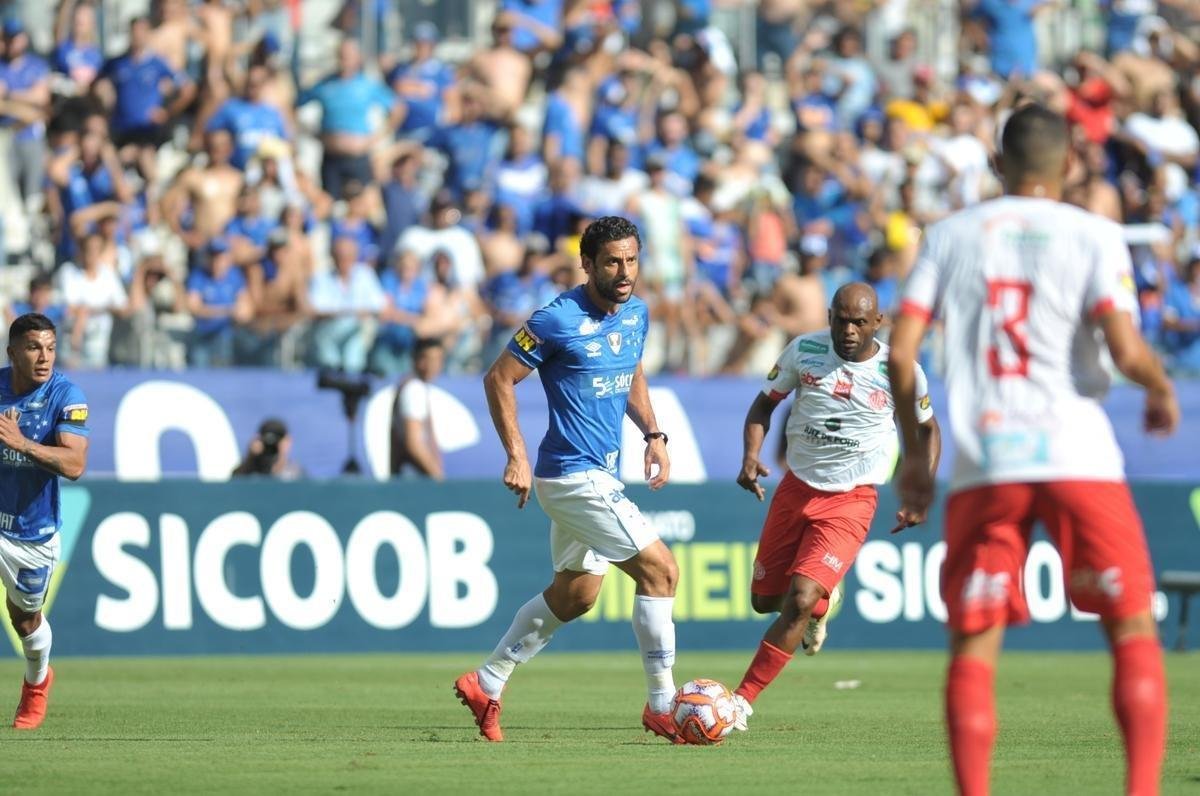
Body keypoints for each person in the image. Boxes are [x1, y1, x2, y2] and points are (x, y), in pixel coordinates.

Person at [887, 104, 1180, 796]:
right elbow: (1126, 348)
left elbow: (900, 354)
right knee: (1132, 626)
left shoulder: (950, 235)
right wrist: (1160, 387)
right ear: (1071, 162)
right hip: (1079, 453)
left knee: (975, 643)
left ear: (996, 165)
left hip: (988, 459)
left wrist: (915, 460)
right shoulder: (1095, 235)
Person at [454, 216, 682, 743]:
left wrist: (654, 435)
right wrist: (516, 456)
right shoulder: (555, 319)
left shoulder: (637, 313)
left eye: (631, 260)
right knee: (662, 573)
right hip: (571, 475)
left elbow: (631, 371)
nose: (624, 272)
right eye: (612, 262)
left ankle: (487, 680)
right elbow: (498, 379)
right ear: (587, 264)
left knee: (576, 595)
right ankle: (663, 705)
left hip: (600, 473)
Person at [730, 283, 940, 725]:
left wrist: (920, 489)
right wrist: (751, 456)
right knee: (765, 601)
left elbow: (927, 430)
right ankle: (826, 601)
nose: (848, 329)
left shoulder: (899, 369)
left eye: (859, 322)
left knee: (800, 597)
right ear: (829, 316)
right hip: (796, 487)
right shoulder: (803, 351)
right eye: (841, 319)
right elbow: (762, 406)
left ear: (877, 323)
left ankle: (741, 701)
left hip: (852, 499)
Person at [0, 313, 91, 729]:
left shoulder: (65, 394)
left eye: (51, 348)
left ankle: (37, 683)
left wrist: (23, 444)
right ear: (13, 352)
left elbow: (74, 464)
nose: (45, 357)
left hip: (31, 532)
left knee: (25, 620)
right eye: (35, 347)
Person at [389, 338, 446, 480]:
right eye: (426, 359)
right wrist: (438, 478)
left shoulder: (416, 387)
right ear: (414, 359)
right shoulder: (414, 389)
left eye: (437, 360)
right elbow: (413, 443)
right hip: (414, 479)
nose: (432, 365)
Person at [231, 418, 302, 479]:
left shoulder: (296, 474)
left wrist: (281, 460)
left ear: (288, 442)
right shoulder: (248, 472)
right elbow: (236, 484)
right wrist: (251, 457)